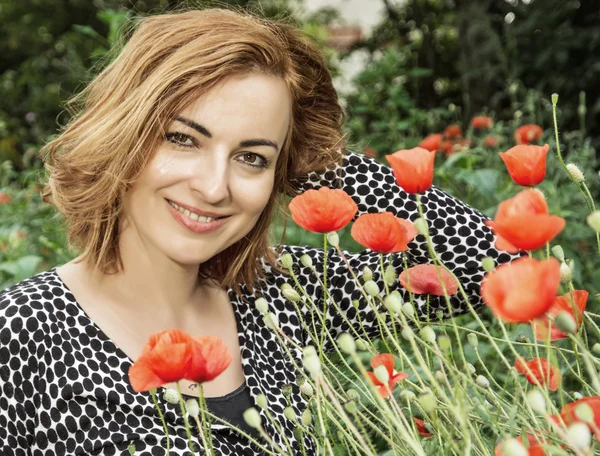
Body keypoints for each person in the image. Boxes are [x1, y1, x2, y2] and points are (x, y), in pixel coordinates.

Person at [0, 7, 521, 456]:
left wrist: (317, 161)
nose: (213, 186)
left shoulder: (278, 296)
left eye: (251, 157)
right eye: (183, 139)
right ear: (123, 137)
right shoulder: (21, 332)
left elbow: (491, 267)